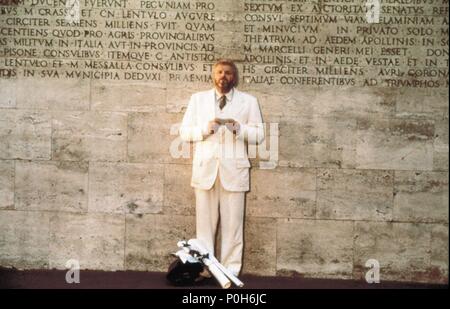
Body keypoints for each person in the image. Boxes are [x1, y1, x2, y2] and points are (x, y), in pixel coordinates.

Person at [179, 59, 265, 278]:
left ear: (234, 77)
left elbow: (260, 135)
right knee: (204, 228)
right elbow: (184, 132)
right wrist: (205, 130)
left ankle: (230, 272)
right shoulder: (197, 100)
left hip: (234, 172)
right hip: (205, 171)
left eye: (227, 73)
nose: (223, 76)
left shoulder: (249, 101)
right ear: (213, 75)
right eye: (219, 72)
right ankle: (206, 270)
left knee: (233, 227)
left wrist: (239, 129)